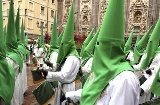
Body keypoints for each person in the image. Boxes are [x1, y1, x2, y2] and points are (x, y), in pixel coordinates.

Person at [80, 0, 140, 105]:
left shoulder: (125, 79)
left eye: (101, 46)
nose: (97, 50)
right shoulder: (102, 70)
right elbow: (92, 92)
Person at [38, 1, 80, 105]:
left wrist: (49, 74)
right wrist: (52, 65)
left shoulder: (72, 58)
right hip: (67, 84)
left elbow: (64, 75)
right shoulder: (73, 56)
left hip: (67, 87)